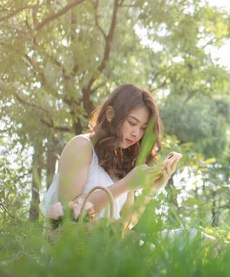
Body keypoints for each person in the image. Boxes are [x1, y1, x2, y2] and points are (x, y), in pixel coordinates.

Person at [40, 84, 213, 242]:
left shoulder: (122, 162)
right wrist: (126, 185)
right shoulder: (81, 146)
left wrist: (150, 190)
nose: (136, 133)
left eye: (143, 128)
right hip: (77, 252)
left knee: (198, 238)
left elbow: (124, 225)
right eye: (132, 123)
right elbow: (68, 212)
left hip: (113, 249)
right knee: (191, 240)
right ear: (110, 115)